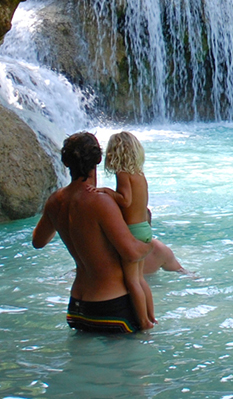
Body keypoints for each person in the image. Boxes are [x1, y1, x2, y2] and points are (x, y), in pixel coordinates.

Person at [32, 132, 153, 334]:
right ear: (98, 159)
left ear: (66, 163)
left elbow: (38, 241)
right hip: (111, 306)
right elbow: (131, 252)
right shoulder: (100, 202)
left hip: (77, 308)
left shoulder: (55, 201)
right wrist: (149, 245)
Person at [99, 132, 158, 330]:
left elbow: (125, 200)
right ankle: (151, 316)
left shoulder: (123, 173)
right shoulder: (140, 175)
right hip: (144, 228)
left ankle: (143, 322)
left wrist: (107, 192)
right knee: (140, 279)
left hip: (132, 230)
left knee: (132, 280)